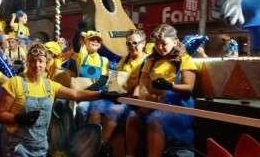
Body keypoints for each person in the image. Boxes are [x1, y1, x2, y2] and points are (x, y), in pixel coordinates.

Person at [0, 43, 124, 156]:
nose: (36, 65)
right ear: (27, 62)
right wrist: (18, 118)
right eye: (32, 61)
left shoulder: (49, 85)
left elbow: (76, 94)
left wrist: (102, 94)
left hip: (41, 147)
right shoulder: (15, 83)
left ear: (46, 64)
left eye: (40, 61)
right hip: (18, 147)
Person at [125, 24, 197, 157]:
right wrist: (153, 93)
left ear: (175, 41)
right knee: (133, 117)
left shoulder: (184, 59)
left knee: (155, 119)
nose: (160, 47)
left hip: (178, 102)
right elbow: (145, 80)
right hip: (155, 99)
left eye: (164, 43)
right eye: (157, 44)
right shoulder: (151, 60)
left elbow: (188, 87)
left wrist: (169, 86)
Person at [87, 29, 147, 155]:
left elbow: (143, 84)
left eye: (135, 43)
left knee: (115, 110)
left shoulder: (146, 61)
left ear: (143, 43)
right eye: (129, 44)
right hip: (118, 95)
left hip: (132, 98)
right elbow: (116, 78)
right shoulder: (124, 59)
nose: (132, 47)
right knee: (96, 105)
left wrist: (132, 96)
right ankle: (90, 142)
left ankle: (101, 146)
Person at [72, 30, 109, 126]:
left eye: (98, 40)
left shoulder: (103, 60)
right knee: (77, 107)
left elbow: (104, 78)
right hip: (79, 92)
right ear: (85, 42)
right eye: (92, 39)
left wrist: (91, 89)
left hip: (93, 93)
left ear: (100, 45)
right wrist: (78, 31)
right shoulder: (82, 55)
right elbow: (76, 46)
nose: (95, 41)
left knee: (83, 108)